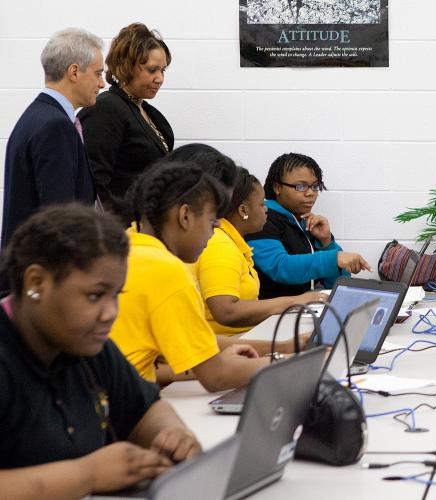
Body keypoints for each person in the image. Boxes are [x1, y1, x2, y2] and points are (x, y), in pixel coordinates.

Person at [0, 204, 201, 497]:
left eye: (115, 295)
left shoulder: (90, 347)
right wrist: (86, 476)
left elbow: (145, 409)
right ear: (36, 283)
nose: (110, 313)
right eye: (95, 295)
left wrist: (174, 435)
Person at [109, 160, 302, 390]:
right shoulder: (166, 269)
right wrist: (295, 361)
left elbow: (190, 345)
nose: (215, 230)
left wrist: (282, 347)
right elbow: (216, 376)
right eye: (212, 221)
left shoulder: (129, 242)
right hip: (124, 409)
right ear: (185, 216)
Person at [2, 28, 103, 249]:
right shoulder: (55, 126)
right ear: (74, 72)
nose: (102, 83)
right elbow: (60, 218)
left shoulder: (36, 116)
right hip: (44, 273)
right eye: (98, 73)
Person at [196, 166, 325, 335]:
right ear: (243, 210)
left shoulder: (233, 242)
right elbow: (227, 311)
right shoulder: (220, 245)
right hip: (227, 343)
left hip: (244, 336)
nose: (266, 209)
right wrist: (298, 301)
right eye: (261, 204)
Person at [247, 153, 372, 299]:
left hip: (304, 311)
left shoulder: (303, 222)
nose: (311, 193)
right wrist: (334, 258)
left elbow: (336, 285)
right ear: (277, 187)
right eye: (301, 186)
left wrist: (327, 243)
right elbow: (280, 267)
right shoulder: (262, 219)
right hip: (272, 317)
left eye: (315, 186)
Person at [78, 23, 173, 206]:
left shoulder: (146, 111)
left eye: (162, 70)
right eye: (152, 70)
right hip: (122, 227)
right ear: (126, 67)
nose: (160, 78)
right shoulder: (106, 109)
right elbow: (95, 183)